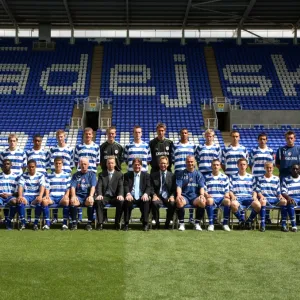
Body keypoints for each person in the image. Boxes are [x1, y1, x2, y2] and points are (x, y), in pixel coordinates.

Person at [196, 128, 222, 224]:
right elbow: (197, 159)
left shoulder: (217, 148)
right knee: (200, 194)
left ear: (213, 137)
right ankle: (196, 217)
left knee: (212, 195)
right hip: (202, 173)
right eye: (207, 136)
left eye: (210, 136)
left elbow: (218, 161)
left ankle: (213, 217)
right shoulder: (200, 147)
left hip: (213, 174)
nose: (209, 137)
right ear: (205, 136)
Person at [74, 127, 100, 222]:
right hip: (81, 174)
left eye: (89, 134)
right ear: (84, 135)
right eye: (86, 134)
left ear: (92, 135)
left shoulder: (96, 147)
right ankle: (79, 217)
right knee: (79, 192)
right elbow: (76, 161)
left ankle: (91, 217)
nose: (88, 136)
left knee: (91, 194)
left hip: (91, 174)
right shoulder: (78, 147)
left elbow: (97, 162)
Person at [249, 133, 275, 223]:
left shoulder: (270, 151)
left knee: (265, 195)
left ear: (266, 140)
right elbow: (251, 164)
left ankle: (266, 217)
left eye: (264, 139)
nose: (262, 141)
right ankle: (256, 217)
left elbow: (272, 164)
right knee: (257, 197)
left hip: (266, 177)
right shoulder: (253, 151)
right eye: (261, 139)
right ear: (258, 140)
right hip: (256, 176)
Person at [49, 129, 74, 223]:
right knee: (54, 193)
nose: (60, 138)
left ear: (65, 137)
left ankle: (69, 217)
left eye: (61, 136)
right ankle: (55, 217)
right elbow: (51, 163)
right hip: (55, 176)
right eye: (58, 137)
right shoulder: (53, 149)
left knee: (67, 196)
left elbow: (72, 164)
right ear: (56, 138)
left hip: (66, 176)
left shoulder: (70, 149)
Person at [173, 128, 197, 223]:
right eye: (182, 133)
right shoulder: (175, 146)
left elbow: (195, 159)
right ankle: (179, 217)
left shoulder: (193, 146)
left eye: (185, 133)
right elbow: (172, 159)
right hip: (179, 173)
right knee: (178, 194)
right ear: (180, 134)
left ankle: (191, 217)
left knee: (192, 192)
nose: (184, 134)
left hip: (190, 172)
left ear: (188, 134)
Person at [276, 130, 300, 224]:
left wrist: (296, 173)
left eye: (291, 138)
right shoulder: (281, 150)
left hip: (295, 177)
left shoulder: (298, 149)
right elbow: (277, 164)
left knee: (296, 195)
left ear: (294, 138)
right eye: (288, 138)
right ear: (285, 139)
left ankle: (297, 219)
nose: (289, 140)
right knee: (285, 197)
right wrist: (285, 171)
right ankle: (284, 218)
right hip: (284, 176)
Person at [175, 155, 205, 231]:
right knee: (179, 201)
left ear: (194, 162)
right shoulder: (181, 173)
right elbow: (179, 186)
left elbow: (202, 187)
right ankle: (181, 224)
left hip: (195, 197)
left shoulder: (198, 174)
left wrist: (202, 195)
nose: (190, 163)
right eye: (188, 161)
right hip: (185, 196)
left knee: (202, 201)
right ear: (185, 162)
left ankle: (197, 223)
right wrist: (178, 195)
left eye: (191, 161)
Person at [25, 134, 50, 223]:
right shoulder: (28, 152)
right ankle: (28, 217)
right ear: (33, 141)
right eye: (35, 140)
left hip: (41, 178)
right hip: (31, 178)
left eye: (39, 141)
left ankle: (40, 219)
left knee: (41, 198)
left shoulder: (45, 153)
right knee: (29, 195)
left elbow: (47, 167)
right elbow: (26, 165)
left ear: (41, 142)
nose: (37, 142)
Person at [94, 156, 124, 230]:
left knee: (121, 201)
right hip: (105, 196)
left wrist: (120, 194)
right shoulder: (101, 174)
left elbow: (121, 186)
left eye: (112, 163)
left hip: (115, 197)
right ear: (106, 164)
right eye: (109, 163)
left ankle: (117, 223)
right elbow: (99, 186)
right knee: (98, 201)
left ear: (115, 164)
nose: (110, 164)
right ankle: (100, 223)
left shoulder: (119, 174)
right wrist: (99, 194)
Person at [255, 162, 286, 232]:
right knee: (262, 201)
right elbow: (258, 191)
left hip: (274, 199)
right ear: (264, 168)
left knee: (284, 201)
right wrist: (261, 196)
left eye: (270, 168)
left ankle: (283, 225)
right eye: (267, 167)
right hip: (265, 199)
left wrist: (281, 196)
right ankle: (263, 225)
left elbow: (278, 192)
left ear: (273, 168)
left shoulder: (276, 178)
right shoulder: (260, 178)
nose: (269, 169)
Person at [16, 159, 46, 230]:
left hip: (36, 196)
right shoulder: (23, 175)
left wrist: (40, 196)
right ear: (27, 167)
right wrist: (20, 196)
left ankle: (35, 224)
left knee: (39, 202)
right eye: (29, 167)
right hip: (26, 196)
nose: (31, 168)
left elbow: (42, 186)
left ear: (36, 167)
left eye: (33, 167)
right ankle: (23, 223)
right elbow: (20, 186)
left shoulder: (40, 175)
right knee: (20, 202)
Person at [123, 158, 152, 231]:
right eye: (135, 165)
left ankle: (145, 223)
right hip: (131, 196)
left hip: (141, 196)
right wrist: (128, 193)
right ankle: (126, 223)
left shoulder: (146, 176)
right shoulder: (127, 175)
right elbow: (125, 186)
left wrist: (146, 194)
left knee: (146, 201)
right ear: (132, 166)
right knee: (127, 201)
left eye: (138, 165)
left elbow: (149, 187)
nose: (137, 166)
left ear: (141, 166)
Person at [43, 157, 71, 230]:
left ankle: (64, 223)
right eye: (56, 163)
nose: (58, 165)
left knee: (66, 201)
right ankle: (47, 223)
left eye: (59, 163)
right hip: (52, 197)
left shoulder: (67, 175)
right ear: (54, 164)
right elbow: (47, 187)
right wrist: (47, 195)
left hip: (61, 197)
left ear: (62, 164)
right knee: (45, 201)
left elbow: (68, 188)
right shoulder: (49, 175)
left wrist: (66, 196)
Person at [69, 157, 97, 231]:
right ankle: (74, 223)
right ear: (79, 165)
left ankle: (89, 223)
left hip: (87, 195)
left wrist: (91, 196)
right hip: (79, 196)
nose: (83, 166)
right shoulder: (75, 175)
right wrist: (73, 196)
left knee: (90, 201)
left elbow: (93, 187)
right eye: (82, 164)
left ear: (88, 165)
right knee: (73, 201)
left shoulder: (92, 174)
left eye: (85, 164)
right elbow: (73, 187)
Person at [229, 158, 257, 229]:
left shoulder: (251, 177)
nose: (242, 166)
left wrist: (254, 196)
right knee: (233, 204)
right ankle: (242, 220)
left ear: (247, 166)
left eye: (244, 164)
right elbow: (230, 190)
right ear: (237, 165)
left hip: (249, 198)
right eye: (240, 164)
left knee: (258, 205)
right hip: (238, 198)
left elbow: (255, 190)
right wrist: (232, 196)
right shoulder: (232, 177)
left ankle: (249, 221)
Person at [205, 159, 231, 231]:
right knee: (209, 200)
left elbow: (227, 190)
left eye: (217, 165)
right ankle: (211, 224)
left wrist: (226, 194)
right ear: (211, 166)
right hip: (211, 197)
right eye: (214, 165)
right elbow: (204, 189)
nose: (215, 166)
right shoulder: (206, 177)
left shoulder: (225, 177)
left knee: (228, 201)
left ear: (220, 166)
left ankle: (225, 224)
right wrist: (206, 194)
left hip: (221, 198)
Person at [150, 156, 176, 229]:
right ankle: (157, 223)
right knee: (154, 203)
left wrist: (172, 196)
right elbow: (151, 188)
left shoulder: (172, 176)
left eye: (165, 163)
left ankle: (167, 224)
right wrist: (154, 195)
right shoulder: (153, 175)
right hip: (158, 197)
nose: (163, 165)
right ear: (159, 164)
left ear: (167, 164)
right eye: (161, 163)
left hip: (168, 197)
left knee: (172, 203)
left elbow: (175, 188)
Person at [281, 163, 300, 232]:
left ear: (299, 170)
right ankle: (294, 225)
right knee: (290, 203)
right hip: (292, 198)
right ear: (291, 170)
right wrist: (288, 198)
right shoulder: (286, 179)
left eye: (297, 169)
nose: (295, 170)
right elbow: (283, 192)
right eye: (293, 169)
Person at [0, 159, 18, 229]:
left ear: (11, 165)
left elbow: (17, 192)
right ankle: (1, 219)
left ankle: (9, 220)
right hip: (0, 196)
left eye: (8, 164)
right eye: (4, 164)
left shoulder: (15, 177)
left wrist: (8, 195)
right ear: (2, 166)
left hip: (11, 196)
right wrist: (1, 195)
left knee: (15, 201)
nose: (6, 165)